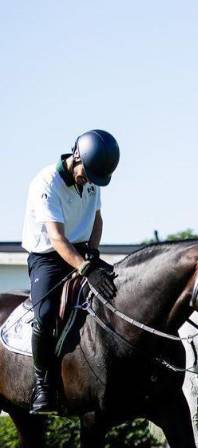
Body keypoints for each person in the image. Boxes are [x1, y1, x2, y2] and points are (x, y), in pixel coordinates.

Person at [21, 129, 120, 414]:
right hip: (48, 257)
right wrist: (85, 267)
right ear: (76, 156)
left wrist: (93, 251)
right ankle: (42, 384)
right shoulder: (46, 182)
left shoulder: (92, 175)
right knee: (45, 313)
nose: (89, 181)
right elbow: (57, 239)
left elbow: (97, 218)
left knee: (118, 292)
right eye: (86, 173)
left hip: (81, 250)